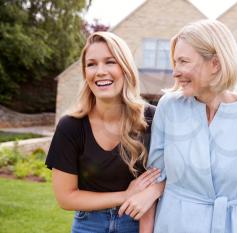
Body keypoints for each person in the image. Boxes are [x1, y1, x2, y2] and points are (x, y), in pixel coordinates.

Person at [140, 20, 237, 233]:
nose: (175, 71)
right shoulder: (169, 107)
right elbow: (153, 180)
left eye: (184, 61)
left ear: (215, 64)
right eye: (175, 62)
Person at [45, 31, 164, 233]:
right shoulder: (71, 126)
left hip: (139, 222)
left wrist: (154, 190)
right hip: (88, 225)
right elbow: (65, 197)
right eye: (91, 64)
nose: (100, 71)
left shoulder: (154, 119)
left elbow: (179, 173)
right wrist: (124, 195)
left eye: (110, 62)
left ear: (125, 68)